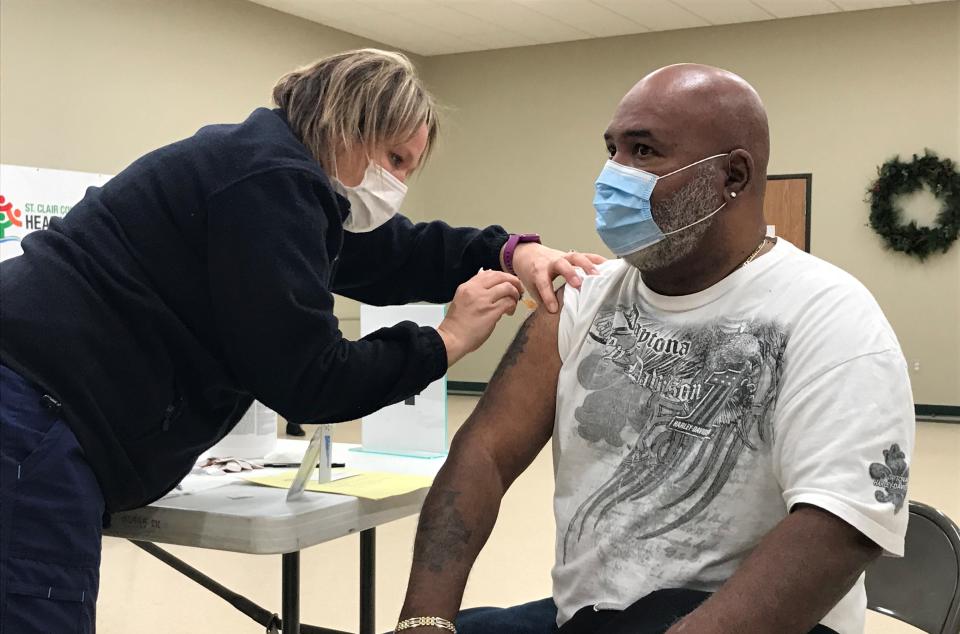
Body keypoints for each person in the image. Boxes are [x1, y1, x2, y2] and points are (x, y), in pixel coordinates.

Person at [0, 48, 604, 633]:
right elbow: (310, 379)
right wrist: (444, 340)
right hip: (35, 414)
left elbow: (394, 253)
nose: (395, 185)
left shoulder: (263, 169)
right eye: (394, 159)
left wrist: (511, 250)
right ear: (349, 125)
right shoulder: (269, 181)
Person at [395, 64, 914, 634]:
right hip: (591, 620)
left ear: (732, 176)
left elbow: (840, 530)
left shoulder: (830, 316)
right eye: (612, 150)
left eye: (644, 152)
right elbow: (485, 453)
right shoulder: (585, 297)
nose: (614, 176)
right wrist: (424, 621)